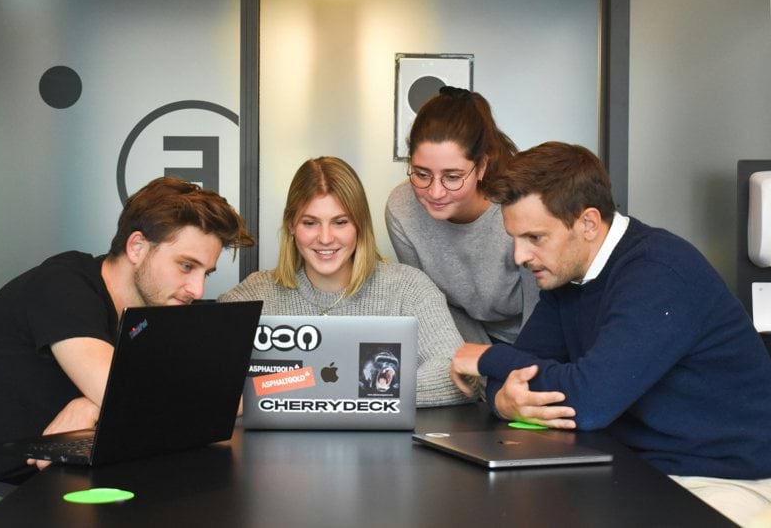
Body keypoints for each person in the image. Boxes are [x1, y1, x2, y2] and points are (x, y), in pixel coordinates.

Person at [450, 141, 771, 526]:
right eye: (515, 239)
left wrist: (485, 357)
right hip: (635, 468)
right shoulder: (567, 274)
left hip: (721, 479)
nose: (520, 256)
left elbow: (588, 400)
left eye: (535, 238)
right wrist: (503, 399)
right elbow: (524, 372)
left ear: (587, 222)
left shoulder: (659, 272)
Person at [0, 177, 254, 484]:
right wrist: (108, 402)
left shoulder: (156, 312)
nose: (197, 290)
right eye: (186, 266)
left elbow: (220, 399)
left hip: (61, 476)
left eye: (205, 273)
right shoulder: (60, 286)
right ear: (137, 247)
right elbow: (152, 405)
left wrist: (94, 405)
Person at [219, 156, 469, 407]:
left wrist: (332, 388)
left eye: (340, 222)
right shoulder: (254, 294)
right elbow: (201, 375)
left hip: (380, 447)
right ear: (291, 225)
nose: (325, 238)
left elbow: (458, 375)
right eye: (310, 223)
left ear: (359, 225)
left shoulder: (409, 289)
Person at [386, 86, 539, 345]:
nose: (435, 192)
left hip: (538, 338)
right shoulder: (402, 210)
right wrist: (478, 365)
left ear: (481, 167)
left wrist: (507, 365)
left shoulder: (522, 204)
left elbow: (542, 307)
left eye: (452, 177)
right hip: (461, 341)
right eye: (422, 174)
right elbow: (428, 303)